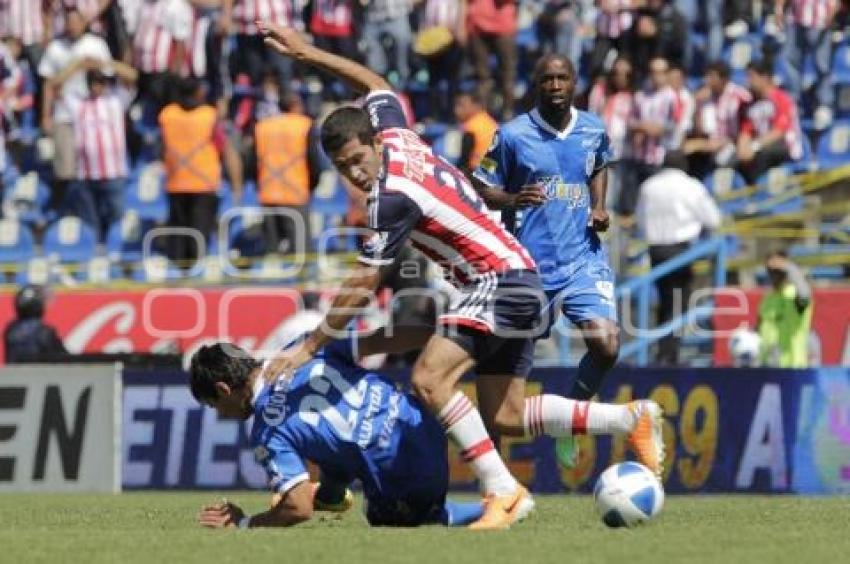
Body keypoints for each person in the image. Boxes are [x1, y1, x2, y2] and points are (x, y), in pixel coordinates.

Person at [256, 23, 663, 530]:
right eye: (343, 168)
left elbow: (365, 282)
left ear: (371, 144)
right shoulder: (395, 132)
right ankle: (631, 418)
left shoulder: (392, 195)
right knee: (506, 417)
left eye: (358, 160)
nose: (356, 174)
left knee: (428, 379)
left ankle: (504, 492)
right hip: (519, 277)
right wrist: (306, 53)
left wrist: (311, 345)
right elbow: (375, 82)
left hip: (498, 281)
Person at [192, 333, 663, 528]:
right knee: (505, 414)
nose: (220, 414)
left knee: (386, 517)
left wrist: (250, 523)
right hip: (421, 418)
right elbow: (394, 334)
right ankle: (334, 492)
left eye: (214, 405)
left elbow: (295, 508)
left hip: (406, 472)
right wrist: (444, 344)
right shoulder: (303, 347)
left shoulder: (266, 429)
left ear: (222, 388)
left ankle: (491, 507)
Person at [472, 54, 624, 468]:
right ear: (536, 85)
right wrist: (513, 198)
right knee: (501, 383)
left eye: (562, 78)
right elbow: (482, 185)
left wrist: (600, 205)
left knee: (606, 344)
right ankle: (492, 479)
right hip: (528, 268)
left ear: (574, 82)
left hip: (583, 259)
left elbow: (599, 165)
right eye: (547, 79)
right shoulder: (513, 135)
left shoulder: (593, 128)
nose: (555, 85)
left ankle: (571, 419)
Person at [635, 150, 721, 365]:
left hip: (656, 249)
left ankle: (664, 351)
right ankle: (669, 353)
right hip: (681, 250)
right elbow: (713, 219)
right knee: (680, 303)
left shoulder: (648, 186)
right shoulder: (691, 186)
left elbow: (639, 219)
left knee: (665, 302)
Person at [159, 77, 243, 266]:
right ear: (199, 93)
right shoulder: (209, 116)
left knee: (179, 236)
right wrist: (237, 185)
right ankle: (195, 277)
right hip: (202, 185)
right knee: (198, 237)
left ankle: (179, 278)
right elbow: (227, 150)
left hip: (176, 184)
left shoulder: (168, 114)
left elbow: (164, 148)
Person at [38, 7, 112, 215]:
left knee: (92, 171)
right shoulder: (56, 48)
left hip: (93, 115)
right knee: (66, 169)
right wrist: (46, 114)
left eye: (76, 22)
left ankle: (90, 216)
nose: (72, 26)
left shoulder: (96, 45)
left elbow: (108, 74)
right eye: (68, 22)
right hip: (65, 114)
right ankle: (63, 211)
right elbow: (48, 83)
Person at [54, 59, 137, 242]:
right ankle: (94, 259)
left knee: (117, 219)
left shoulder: (116, 102)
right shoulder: (79, 106)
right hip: (86, 174)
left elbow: (133, 76)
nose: (97, 86)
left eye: (101, 82)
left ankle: (116, 258)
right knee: (90, 223)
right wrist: (77, 66)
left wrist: (104, 63)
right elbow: (56, 85)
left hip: (113, 173)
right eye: (93, 82)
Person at [253, 90, 321, 254]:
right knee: (300, 251)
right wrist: (312, 185)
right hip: (296, 193)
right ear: (295, 105)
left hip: (268, 193)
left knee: (272, 249)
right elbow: (314, 160)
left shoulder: (263, 126)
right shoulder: (304, 125)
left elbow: (252, 161)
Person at [621, 55, 680, 216]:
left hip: (659, 159)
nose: (656, 76)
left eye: (661, 72)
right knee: (630, 204)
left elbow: (670, 127)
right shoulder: (641, 95)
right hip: (638, 157)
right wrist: (645, 127)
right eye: (653, 72)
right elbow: (630, 122)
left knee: (654, 205)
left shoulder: (672, 97)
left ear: (667, 74)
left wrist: (644, 127)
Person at [737, 60, 804, 183]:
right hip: (759, 147)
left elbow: (779, 131)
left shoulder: (782, 99)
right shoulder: (751, 105)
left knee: (763, 155)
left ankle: (757, 193)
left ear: (765, 77)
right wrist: (742, 150)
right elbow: (745, 131)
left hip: (785, 147)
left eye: (751, 77)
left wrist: (753, 147)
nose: (748, 82)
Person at [774, 0, 837, 130]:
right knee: (791, 62)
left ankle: (824, 104)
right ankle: (793, 102)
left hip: (821, 17)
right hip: (795, 18)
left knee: (822, 64)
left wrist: (832, 10)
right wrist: (779, 7)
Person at [684, 61, 752, 178]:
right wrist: (697, 105)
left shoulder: (740, 97)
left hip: (733, 144)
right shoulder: (705, 98)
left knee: (724, 160)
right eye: (706, 76)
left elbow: (747, 128)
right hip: (709, 143)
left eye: (711, 76)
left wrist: (723, 142)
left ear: (723, 79)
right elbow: (700, 130)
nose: (707, 80)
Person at [757, 251, 813, 368]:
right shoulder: (767, 299)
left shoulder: (794, 296)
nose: (774, 276)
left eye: (778, 272)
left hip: (792, 367)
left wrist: (788, 266)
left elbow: (805, 294)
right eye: (771, 272)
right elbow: (761, 329)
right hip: (768, 366)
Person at [466, 0, 517, 119]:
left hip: (503, 25)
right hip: (477, 24)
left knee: (508, 74)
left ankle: (508, 112)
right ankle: (482, 114)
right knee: (481, 76)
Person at [4, 285, 68, 364]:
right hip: (39, 374)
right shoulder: (44, 332)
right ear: (38, 307)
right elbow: (64, 358)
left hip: (15, 374)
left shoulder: (10, 329)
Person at [453, 91, 498, 175]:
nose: (456, 111)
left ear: (476, 106)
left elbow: (464, 159)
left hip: (480, 174)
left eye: (462, 106)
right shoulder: (489, 121)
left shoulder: (471, 127)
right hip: (494, 170)